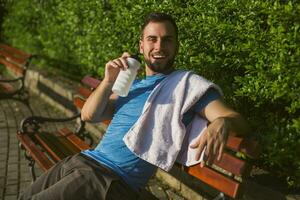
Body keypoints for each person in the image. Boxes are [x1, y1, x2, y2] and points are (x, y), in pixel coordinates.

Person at [19, 12, 249, 200]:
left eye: (167, 39)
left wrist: (222, 121)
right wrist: (108, 80)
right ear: (141, 46)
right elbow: (88, 115)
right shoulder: (132, 85)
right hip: (82, 161)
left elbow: (237, 120)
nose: (159, 46)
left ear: (177, 45)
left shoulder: (186, 86)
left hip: (109, 180)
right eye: (152, 39)